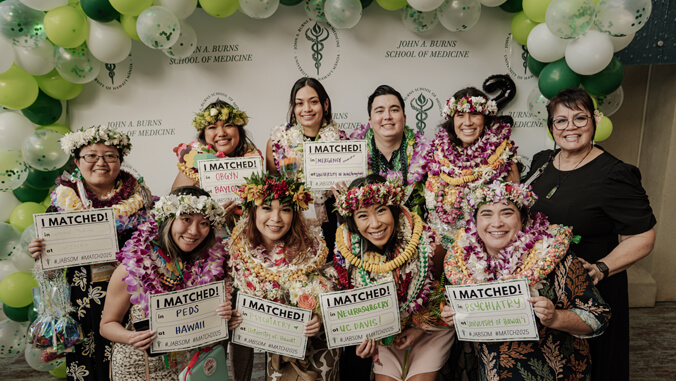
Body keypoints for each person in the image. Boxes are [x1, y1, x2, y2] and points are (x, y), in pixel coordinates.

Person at [524, 87, 656, 381]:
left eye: (580, 118)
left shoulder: (614, 174)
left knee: (591, 365)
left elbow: (643, 237)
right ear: (551, 127)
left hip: (589, 289)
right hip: (545, 288)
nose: (570, 127)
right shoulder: (541, 162)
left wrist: (601, 268)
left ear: (594, 123)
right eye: (561, 121)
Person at [441, 180, 612, 380]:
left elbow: (599, 317)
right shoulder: (462, 264)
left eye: (506, 213)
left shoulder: (556, 258)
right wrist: (451, 317)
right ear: (475, 222)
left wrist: (555, 317)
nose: (496, 223)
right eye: (486, 214)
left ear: (523, 218)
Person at [28, 125, 154, 381]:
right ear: (77, 161)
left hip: (131, 300)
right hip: (81, 302)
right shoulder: (61, 206)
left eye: (110, 155)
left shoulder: (143, 203)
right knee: (87, 368)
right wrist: (41, 255)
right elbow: (52, 271)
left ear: (120, 161)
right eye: (91, 156)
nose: (101, 162)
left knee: (133, 365)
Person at [100, 186, 232, 380]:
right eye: (186, 219)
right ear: (168, 218)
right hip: (140, 369)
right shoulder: (134, 266)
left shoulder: (211, 265)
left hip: (190, 368)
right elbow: (107, 325)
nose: (194, 231)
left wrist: (224, 314)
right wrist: (131, 337)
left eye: (204, 223)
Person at [333, 174, 452, 381]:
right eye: (363, 215)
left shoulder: (427, 242)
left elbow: (445, 289)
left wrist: (419, 329)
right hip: (385, 334)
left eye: (381, 210)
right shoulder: (346, 252)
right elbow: (352, 311)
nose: (375, 223)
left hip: (429, 327)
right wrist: (363, 341)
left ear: (394, 210)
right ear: (352, 222)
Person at [227, 173, 340, 381]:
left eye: (286, 210)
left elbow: (329, 292)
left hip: (316, 348)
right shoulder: (237, 249)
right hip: (276, 349)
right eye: (267, 207)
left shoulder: (311, 248)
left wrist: (318, 317)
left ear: (295, 214)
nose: (276, 218)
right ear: (253, 211)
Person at [425, 87, 519, 249]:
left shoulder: (502, 159)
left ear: (485, 118)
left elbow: (513, 213)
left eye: (474, 114)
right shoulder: (438, 155)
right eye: (460, 115)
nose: (467, 122)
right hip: (437, 246)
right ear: (452, 119)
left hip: (481, 253)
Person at [266, 77, 347, 256]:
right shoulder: (278, 142)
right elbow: (272, 193)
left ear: (325, 104)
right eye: (299, 103)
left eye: (314, 102)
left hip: (332, 219)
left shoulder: (341, 141)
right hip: (294, 223)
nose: (307, 109)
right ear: (294, 108)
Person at [349, 85, 431, 215]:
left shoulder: (426, 155)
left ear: (404, 118)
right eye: (380, 111)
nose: (387, 116)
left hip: (416, 230)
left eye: (394, 110)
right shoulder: (353, 155)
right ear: (370, 121)